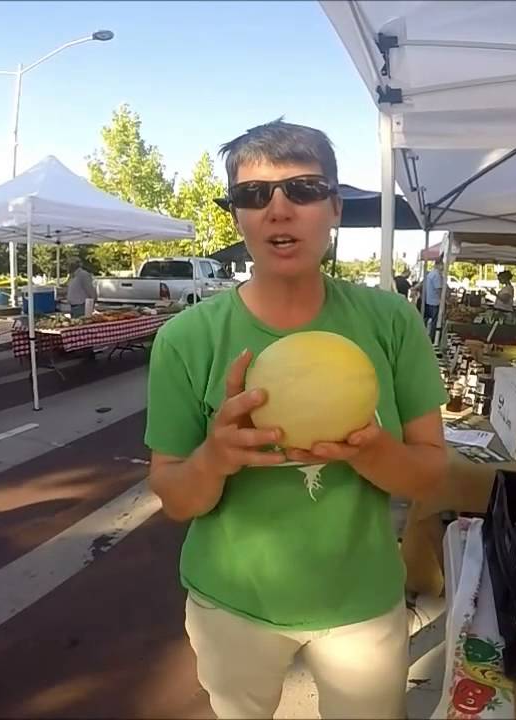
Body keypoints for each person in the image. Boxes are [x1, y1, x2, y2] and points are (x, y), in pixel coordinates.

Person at [145, 119, 448, 720]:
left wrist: (371, 451)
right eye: (254, 195)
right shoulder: (186, 339)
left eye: (303, 190)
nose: (278, 209)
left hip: (360, 602)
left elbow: (432, 476)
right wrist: (216, 455)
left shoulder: (392, 323)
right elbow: (176, 499)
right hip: (231, 603)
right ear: (237, 217)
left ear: (333, 207)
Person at [422, 259, 444, 340]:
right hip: (435, 302)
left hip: (429, 301)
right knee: (435, 323)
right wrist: (445, 299)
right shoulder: (436, 275)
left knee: (430, 321)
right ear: (439, 264)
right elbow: (439, 289)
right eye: (442, 265)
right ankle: (433, 338)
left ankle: (429, 337)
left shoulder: (430, 274)